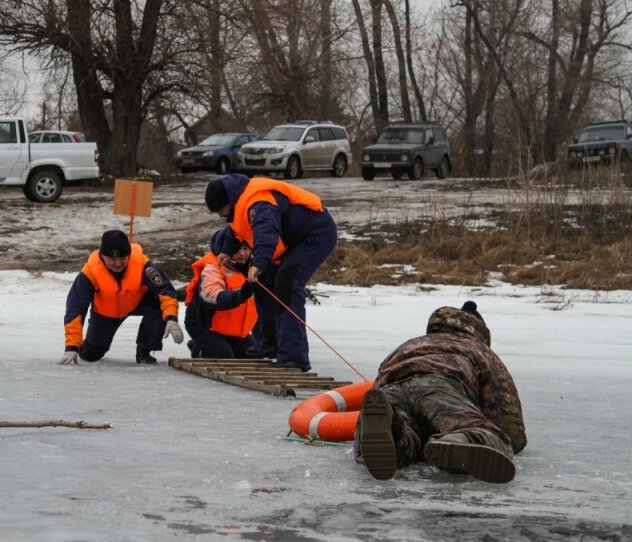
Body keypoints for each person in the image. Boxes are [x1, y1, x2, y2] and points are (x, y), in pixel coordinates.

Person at [354, 301, 527, 484]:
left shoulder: (408, 345)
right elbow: (509, 423)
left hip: (391, 390)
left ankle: (393, 427)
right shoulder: (479, 349)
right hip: (439, 389)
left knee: (409, 438)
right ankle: (460, 440)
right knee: (486, 433)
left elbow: (380, 382)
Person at [204, 173, 337, 372]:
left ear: (229, 201)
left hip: (315, 234)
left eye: (220, 209)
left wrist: (258, 263)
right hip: (293, 240)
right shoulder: (240, 205)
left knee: (288, 284)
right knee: (263, 280)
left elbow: (266, 233)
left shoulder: (259, 203)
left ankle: (295, 356)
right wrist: (225, 251)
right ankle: (271, 342)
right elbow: (236, 231)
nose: (220, 215)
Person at [58, 230, 183, 365]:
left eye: (123, 258)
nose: (118, 264)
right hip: (106, 311)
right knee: (90, 355)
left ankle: (144, 351)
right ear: (102, 256)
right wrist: (72, 346)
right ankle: (88, 348)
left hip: (137, 302)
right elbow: (75, 307)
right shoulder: (90, 271)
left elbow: (165, 290)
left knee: (158, 302)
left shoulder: (143, 264)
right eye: (112, 259)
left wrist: (171, 318)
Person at [184, 227, 258, 359]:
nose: (242, 253)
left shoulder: (252, 269)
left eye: (246, 248)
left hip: (233, 328)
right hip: (204, 325)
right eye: (236, 249)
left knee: (253, 356)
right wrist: (239, 296)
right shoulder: (212, 267)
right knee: (223, 355)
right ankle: (197, 348)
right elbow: (212, 295)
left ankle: (221, 344)